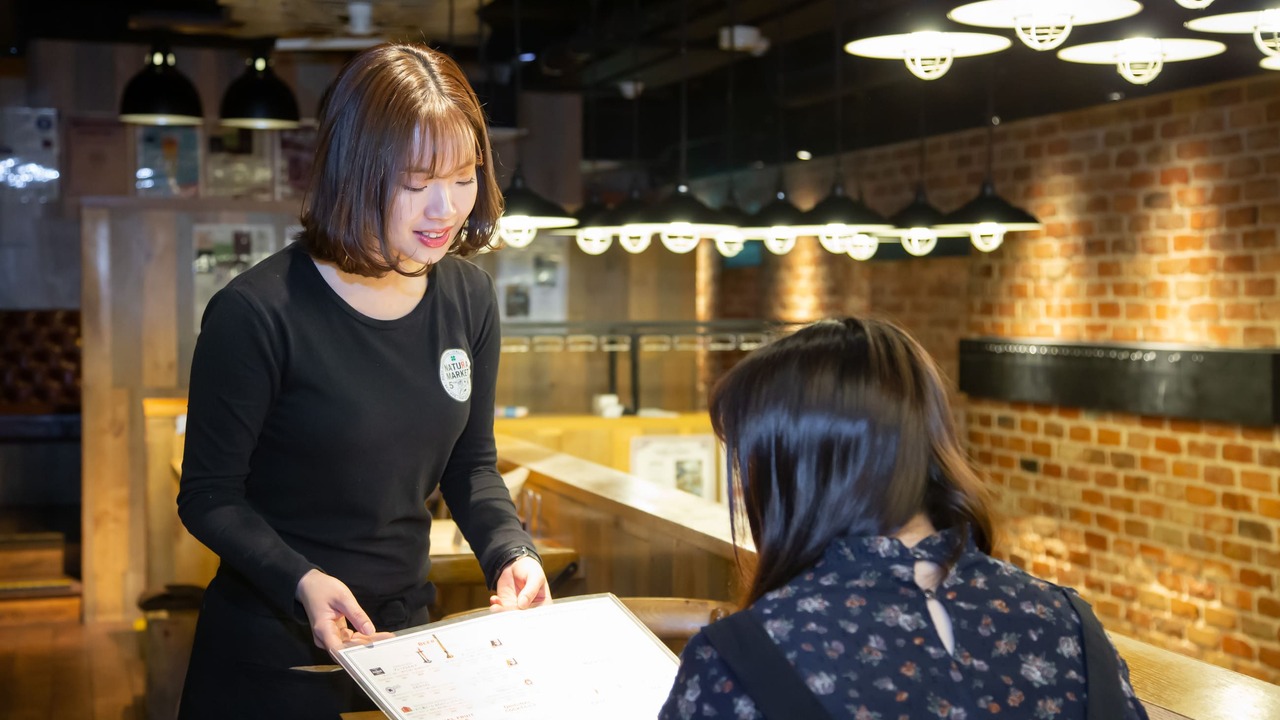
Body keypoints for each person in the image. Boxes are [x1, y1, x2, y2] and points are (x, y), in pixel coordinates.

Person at [176, 43, 549, 720]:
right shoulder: (256, 313)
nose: (446, 207)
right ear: (356, 171)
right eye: (416, 181)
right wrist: (303, 582)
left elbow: (472, 466)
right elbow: (209, 497)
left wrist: (510, 552)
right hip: (272, 650)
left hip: (405, 646)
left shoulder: (468, 298)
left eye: (464, 176)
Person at [659, 318, 1147, 720]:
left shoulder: (739, 660)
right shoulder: (1069, 625)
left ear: (792, 473)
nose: (743, 487)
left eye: (748, 464)